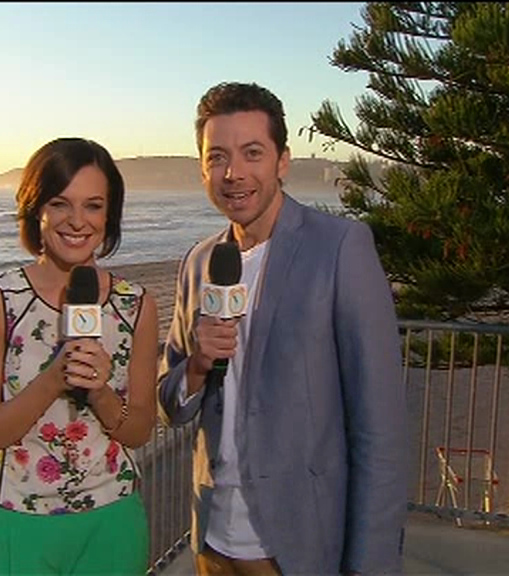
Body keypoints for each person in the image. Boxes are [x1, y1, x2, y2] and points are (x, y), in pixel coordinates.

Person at [157, 82, 408, 575]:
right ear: (203, 169)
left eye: (252, 153)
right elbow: (170, 403)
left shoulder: (339, 247)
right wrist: (199, 365)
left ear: (282, 162)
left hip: (299, 547)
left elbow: (381, 427)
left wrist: (370, 564)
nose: (234, 173)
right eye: (217, 157)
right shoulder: (199, 262)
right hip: (211, 541)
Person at [0, 137, 159, 575]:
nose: (77, 221)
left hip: (112, 523)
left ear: (110, 215)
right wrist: (53, 379)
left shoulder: (136, 306)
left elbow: (140, 430)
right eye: (60, 203)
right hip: (16, 522)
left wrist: (101, 393)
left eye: (93, 206)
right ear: (37, 209)